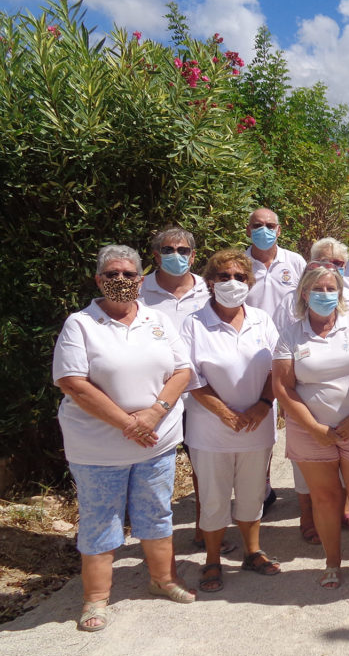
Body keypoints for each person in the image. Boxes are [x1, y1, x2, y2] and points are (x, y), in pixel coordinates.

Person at [53, 245, 195, 631]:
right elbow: (73, 383)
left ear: (140, 280)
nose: (121, 280)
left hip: (157, 441)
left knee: (156, 512)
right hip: (98, 448)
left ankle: (162, 579)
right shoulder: (80, 324)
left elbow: (182, 371)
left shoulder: (157, 319)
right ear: (99, 280)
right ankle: (95, 600)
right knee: (100, 520)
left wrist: (152, 415)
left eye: (129, 274)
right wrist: (127, 424)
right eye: (112, 274)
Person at [272, 265, 349, 589]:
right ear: (304, 294)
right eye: (317, 289)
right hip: (310, 432)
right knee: (325, 500)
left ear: (340, 292)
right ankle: (332, 563)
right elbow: (282, 387)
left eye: (330, 288)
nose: (325, 295)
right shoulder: (291, 334)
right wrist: (312, 427)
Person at [180, 249, 280, 593]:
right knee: (213, 498)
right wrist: (224, 412)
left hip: (257, 426)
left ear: (249, 283)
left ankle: (252, 552)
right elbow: (190, 377)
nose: (232, 283)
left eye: (240, 277)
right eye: (224, 277)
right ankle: (212, 559)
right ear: (210, 282)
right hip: (211, 430)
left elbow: (276, 368)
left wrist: (264, 405)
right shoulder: (193, 324)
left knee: (253, 494)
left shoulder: (261, 320)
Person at [271, 238, 349, 545]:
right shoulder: (289, 303)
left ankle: (344, 510)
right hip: (305, 409)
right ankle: (307, 514)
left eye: (336, 264)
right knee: (307, 472)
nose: (329, 268)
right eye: (322, 261)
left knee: (346, 470)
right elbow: (282, 363)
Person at [138, 227, 219, 551]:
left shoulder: (209, 290)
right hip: (156, 395)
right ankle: (156, 543)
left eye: (183, 250)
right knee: (155, 470)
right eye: (168, 250)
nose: (177, 256)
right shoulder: (140, 291)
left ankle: (205, 530)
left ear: (194, 255)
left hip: (199, 394)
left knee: (203, 467)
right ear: (156, 255)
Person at [244, 208, 306, 316]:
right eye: (257, 225)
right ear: (248, 230)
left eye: (270, 226)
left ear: (279, 230)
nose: (264, 230)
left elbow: (308, 298)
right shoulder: (239, 265)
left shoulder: (295, 262)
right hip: (253, 331)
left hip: (289, 332)